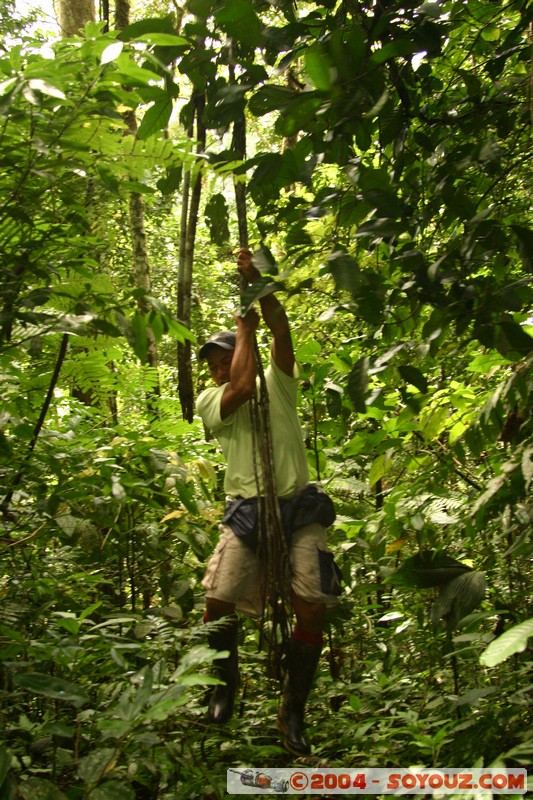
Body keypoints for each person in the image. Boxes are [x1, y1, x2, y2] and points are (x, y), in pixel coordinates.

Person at [196, 248, 341, 755]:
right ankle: (223, 688)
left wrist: (258, 288)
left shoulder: (277, 383)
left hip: (296, 507)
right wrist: (242, 322)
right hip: (246, 512)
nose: (218, 368)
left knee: (311, 606)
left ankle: (293, 709)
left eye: (224, 356)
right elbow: (239, 381)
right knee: (218, 602)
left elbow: (281, 333)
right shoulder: (214, 401)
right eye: (212, 363)